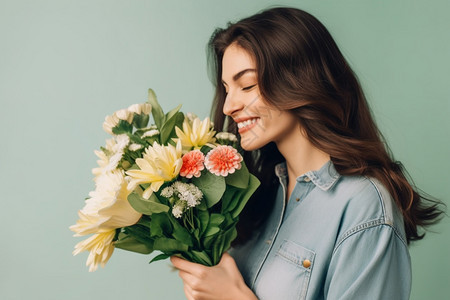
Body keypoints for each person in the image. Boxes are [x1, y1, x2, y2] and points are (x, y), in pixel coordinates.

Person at [171, 7, 444, 300]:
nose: (228, 107)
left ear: (299, 80)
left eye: (247, 85)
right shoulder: (257, 196)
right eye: (227, 89)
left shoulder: (364, 207)